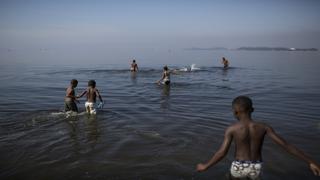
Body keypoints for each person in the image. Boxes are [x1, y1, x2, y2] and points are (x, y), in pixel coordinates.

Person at [196, 96, 320, 179]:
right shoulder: (264, 127)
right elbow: (286, 146)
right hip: (256, 167)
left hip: (238, 166)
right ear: (252, 110)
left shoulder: (232, 129)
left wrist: (205, 166)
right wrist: (311, 162)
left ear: (234, 112)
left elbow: (222, 153)